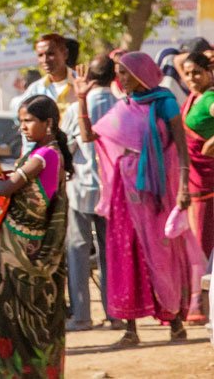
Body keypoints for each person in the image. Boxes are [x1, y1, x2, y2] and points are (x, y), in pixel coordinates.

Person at [73, 50, 195, 345]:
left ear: (142, 72)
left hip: (157, 193)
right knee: (127, 255)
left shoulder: (165, 102)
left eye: (126, 72)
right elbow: (89, 137)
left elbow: (181, 146)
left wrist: (183, 186)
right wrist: (81, 99)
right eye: (119, 73)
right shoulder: (123, 107)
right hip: (123, 194)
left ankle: (175, 321)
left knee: (162, 254)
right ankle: (130, 329)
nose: (122, 78)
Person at [0, 95, 72, 378]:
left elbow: (7, 188)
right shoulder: (42, 153)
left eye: (28, 121)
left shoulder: (45, 155)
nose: (23, 127)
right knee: (18, 320)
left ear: (49, 123)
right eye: (21, 122)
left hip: (24, 252)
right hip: (22, 248)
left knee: (19, 320)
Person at [60, 52, 118, 331]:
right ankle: (115, 312)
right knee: (110, 255)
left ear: (89, 77)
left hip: (82, 189)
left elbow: (66, 149)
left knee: (78, 252)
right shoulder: (121, 104)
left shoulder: (76, 109)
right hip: (112, 191)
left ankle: (82, 315)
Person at [180, 49, 214, 283]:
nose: (192, 78)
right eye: (188, 73)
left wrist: (212, 143)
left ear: (209, 73)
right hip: (193, 178)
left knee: (202, 241)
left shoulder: (210, 98)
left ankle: (200, 303)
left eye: (197, 73)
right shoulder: (194, 96)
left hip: (206, 180)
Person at [21, 33, 75, 110]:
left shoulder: (82, 83)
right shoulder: (36, 89)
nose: (45, 60)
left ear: (65, 54)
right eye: (40, 55)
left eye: (50, 54)